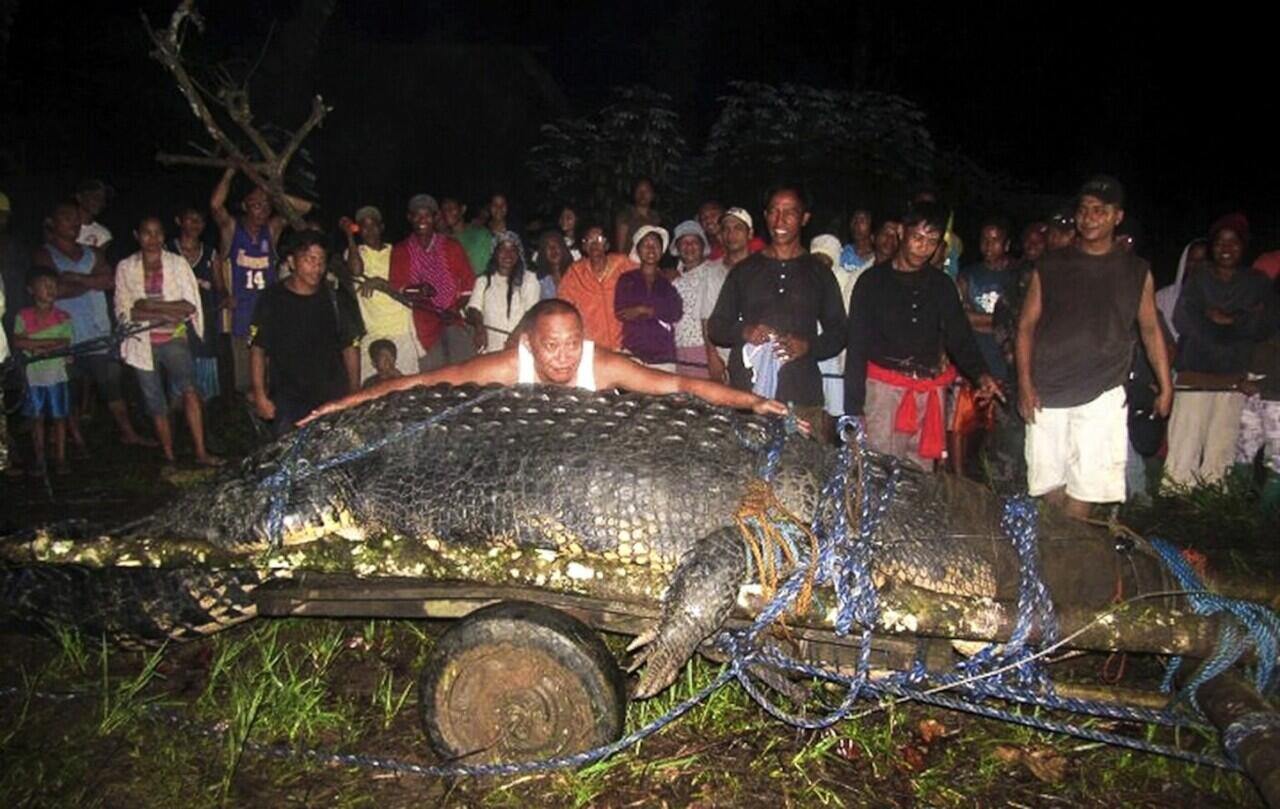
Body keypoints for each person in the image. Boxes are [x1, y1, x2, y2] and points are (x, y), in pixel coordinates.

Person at [300, 299, 796, 428]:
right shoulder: (506, 364)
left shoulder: (600, 365)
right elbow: (424, 380)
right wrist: (342, 404)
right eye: (551, 346)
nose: (563, 358)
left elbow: (679, 387)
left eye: (573, 343)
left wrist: (752, 401)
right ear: (530, 345)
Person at [1017, 176, 1172, 519]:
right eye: (1084, 210)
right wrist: (1025, 384)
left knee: (1087, 482)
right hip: (1049, 388)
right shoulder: (1052, 263)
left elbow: (1150, 328)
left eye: (1100, 211)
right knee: (1048, 482)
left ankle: (1071, 556)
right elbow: (1026, 325)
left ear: (1117, 216)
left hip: (1102, 390)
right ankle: (1059, 548)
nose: (1089, 218)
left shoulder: (1135, 270)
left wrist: (1166, 385)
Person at [844, 203, 1001, 470]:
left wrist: (982, 374)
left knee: (919, 476)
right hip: (884, 393)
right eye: (918, 237)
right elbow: (857, 346)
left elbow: (959, 337)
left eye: (931, 241)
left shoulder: (942, 285)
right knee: (877, 471)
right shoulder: (872, 282)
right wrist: (854, 407)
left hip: (928, 393)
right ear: (902, 232)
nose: (923, 247)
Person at [707, 187, 847, 439]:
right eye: (773, 212)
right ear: (765, 216)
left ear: (804, 218)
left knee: (800, 473)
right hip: (747, 396)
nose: (779, 221)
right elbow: (717, 326)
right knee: (746, 474)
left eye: (789, 213)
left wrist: (808, 346)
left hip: (801, 394)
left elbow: (839, 331)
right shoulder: (744, 271)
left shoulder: (819, 273)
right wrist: (744, 331)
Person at [1165, 215, 1277, 488]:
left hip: (1233, 381)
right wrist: (1235, 322)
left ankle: (1212, 515)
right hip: (1195, 378)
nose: (1226, 247)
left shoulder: (1257, 283)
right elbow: (1184, 321)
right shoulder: (1199, 278)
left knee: (1220, 454)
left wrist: (1224, 319)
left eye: (1234, 241)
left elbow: (1265, 326)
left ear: (1243, 246)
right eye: (1220, 241)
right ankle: (1174, 511)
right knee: (1183, 450)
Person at [33, 201, 149, 450]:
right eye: (66, 217)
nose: (74, 223)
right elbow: (54, 291)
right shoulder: (45, 254)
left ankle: (127, 433)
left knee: (111, 385)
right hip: (63, 336)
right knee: (70, 389)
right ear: (53, 222)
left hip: (98, 333)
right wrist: (90, 282)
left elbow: (109, 281)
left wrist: (75, 279)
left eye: (76, 219)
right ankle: (75, 440)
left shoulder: (92, 252)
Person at [116, 216, 221, 468]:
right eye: (146, 233)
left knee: (190, 389)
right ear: (137, 235)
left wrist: (149, 305)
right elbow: (125, 312)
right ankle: (169, 455)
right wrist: (166, 311)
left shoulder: (176, 264)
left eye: (158, 233)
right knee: (155, 399)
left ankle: (200, 451)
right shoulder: (126, 267)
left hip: (174, 338)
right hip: (141, 342)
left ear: (164, 235)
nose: (153, 239)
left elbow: (189, 306)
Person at [210, 167, 313, 393]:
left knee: (273, 377)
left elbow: (304, 208)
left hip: (269, 313)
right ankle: (254, 423)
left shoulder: (272, 230)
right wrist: (228, 172)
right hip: (241, 315)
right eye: (256, 203)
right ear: (245, 206)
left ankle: (274, 422)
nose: (262, 209)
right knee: (248, 382)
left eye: (266, 205)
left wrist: (272, 191)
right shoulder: (232, 229)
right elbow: (216, 206)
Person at [249, 230, 361, 435]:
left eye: (321, 260)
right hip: (288, 399)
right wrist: (260, 394)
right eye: (310, 259)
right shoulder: (272, 299)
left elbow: (350, 346)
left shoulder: (336, 298)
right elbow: (258, 349)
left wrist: (354, 393)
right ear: (291, 261)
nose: (317, 267)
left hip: (332, 396)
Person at [388, 194, 481, 371]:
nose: (423, 220)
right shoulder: (400, 251)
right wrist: (418, 290)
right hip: (423, 324)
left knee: (465, 374)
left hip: (455, 320)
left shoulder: (451, 246)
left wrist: (453, 309)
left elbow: (469, 285)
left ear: (435, 217)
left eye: (427, 215)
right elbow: (397, 288)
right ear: (410, 218)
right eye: (417, 215)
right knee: (434, 380)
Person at [343, 205, 420, 380]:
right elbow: (355, 271)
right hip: (373, 332)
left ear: (382, 227)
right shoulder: (355, 252)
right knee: (370, 392)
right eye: (364, 226)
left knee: (407, 388)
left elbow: (410, 293)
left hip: (402, 330)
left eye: (373, 225)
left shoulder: (398, 252)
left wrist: (381, 283)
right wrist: (349, 235)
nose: (369, 230)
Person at [13, 267, 72, 475]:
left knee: (59, 417)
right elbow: (18, 341)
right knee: (37, 417)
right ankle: (40, 459)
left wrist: (35, 344)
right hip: (34, 374)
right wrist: (47, 343)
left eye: (53, 285)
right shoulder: (23, 315)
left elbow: (64, 342)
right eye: (45, 285)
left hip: (56, 373)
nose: (50, 289)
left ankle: (61, 457)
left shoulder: (63, 316)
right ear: (31, 289)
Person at [169, 206, 223, 402]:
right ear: (179, 221)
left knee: (204, 362)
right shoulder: (167, 251)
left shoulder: (210, 254)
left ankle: (205, 409)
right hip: (175, 319)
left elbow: (220, 286)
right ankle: (178, 410)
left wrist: (225, 297)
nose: (195, 225)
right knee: (178, 361)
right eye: (190, 219)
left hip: (205, 316)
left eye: (199, 220)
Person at [614, 226, 681, 371]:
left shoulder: (668, 280)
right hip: (633, 353)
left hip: (663, 355)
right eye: (646, 245)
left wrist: (644, 310)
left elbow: (675, 312)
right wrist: (656, 312)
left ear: (661, 251)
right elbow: (621, 312)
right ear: (637, 250)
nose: (651, 249)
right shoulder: (627, 279)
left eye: (655, 245)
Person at [557, 224, 630, 351]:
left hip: (625, 345)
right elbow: (563, 306)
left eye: (600, 239)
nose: (594, 244)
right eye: (589, 240)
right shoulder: (575, 272)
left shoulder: (622, 264)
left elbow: (648, 275)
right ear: (584, 246)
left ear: (607, 245)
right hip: (592, 347)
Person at [668, 220, 726, 380]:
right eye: (684, 243)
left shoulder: (716, 271)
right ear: (678, 249)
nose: (689, 247)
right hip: (679, 354)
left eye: (694, 242)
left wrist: (713, 355)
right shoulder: (673, 280)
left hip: (708, 352)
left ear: (702, 246)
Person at [810, 234, 856, 420]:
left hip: (834, 352)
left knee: (833, 406)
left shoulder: (845, 279)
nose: (820, 265)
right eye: (816, 259)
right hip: (807, 347)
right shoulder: (803, 275)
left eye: (826, 260)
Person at [469, 231, 540, 353]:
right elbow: (473, 309)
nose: (508, 254)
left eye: (513, 249)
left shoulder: (529, 279)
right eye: (502, 249)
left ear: (519, 254)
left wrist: (514, 337)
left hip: (520, 346)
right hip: (491, 348)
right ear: (494, 253)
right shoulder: (484, 280)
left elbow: (532, 313)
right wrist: (479, 327)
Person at [1156, 238, 1209, 344]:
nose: (1197, 265)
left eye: (1203, 260)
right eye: (1192, 260)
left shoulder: (1222, 299)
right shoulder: (1163, 297)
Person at [614, 178, 662, 256]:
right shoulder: (626, 216)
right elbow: (620, 248)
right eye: (639, 191)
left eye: (646, 191)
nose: (642, 194)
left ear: (653, 195)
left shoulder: (656, 217)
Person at [75, 179, 113, 253]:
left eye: (103, 198)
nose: (99, 201)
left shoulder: (103, 234)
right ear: (79, 197)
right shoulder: (63, 227)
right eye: (94, 196)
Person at [533, 230, 573, 300]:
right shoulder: (538, 282)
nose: (553, 249)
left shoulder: (577, 275)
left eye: (556, 244)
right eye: (547, 246)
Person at [838, 208, 876, 273]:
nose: (856, 224)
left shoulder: (875, 259)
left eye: (862, 221)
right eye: (854, 219)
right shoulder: (842, 252)